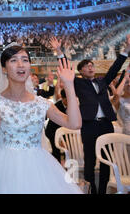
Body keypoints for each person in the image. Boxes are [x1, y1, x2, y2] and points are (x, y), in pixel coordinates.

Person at [0, 47, 83, 194]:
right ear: (4, 69)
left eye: (25, 60)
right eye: (13, 60)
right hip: (2, 169)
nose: (21, 65)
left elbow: (75, 123)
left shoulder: (42, 103)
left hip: (39, 168)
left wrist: (70, 85)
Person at [52, 35, 130, 194]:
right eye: (86, 66)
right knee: (89, 158)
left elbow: (116, 66)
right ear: (80, 71)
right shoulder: (79, 83)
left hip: (106, 123)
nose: (90, 67)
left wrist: (127, 49)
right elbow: (67, 68)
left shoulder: (102, 82)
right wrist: (59, 52)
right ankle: (91, 189)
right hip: (89, 124)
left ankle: (102, 190)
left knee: (107, 160)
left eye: (92, 65)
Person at [45, 89, 68, 162]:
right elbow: (57, 124)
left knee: (66, 151)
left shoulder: (71, 105)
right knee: (56, 151)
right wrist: (61, 138)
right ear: (63, 98)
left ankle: (66, 166)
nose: (69, 102)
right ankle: (57, 166)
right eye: (67, 100)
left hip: (63, 131)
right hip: (52, 131)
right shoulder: (57, 107)